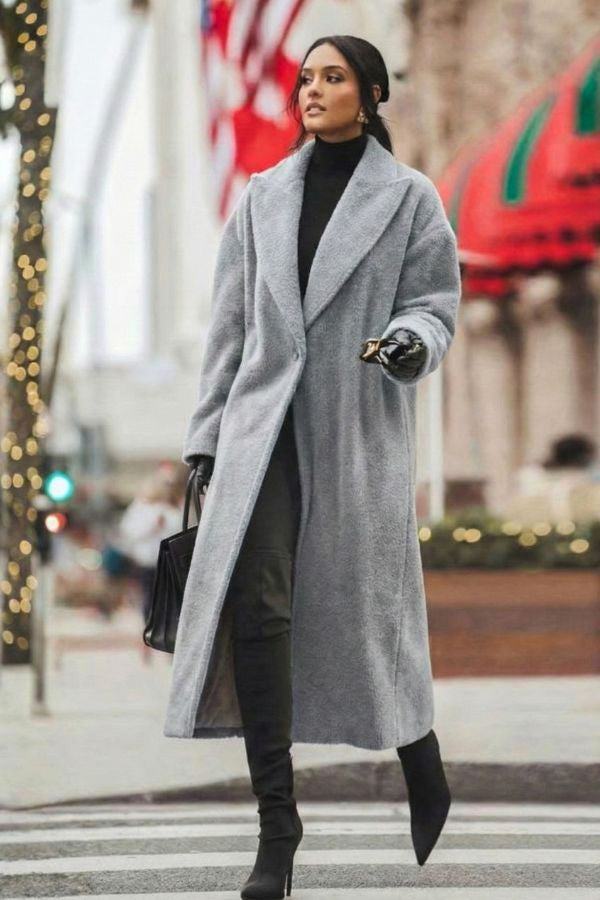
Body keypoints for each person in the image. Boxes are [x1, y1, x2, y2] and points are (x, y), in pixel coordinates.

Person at [165, 35, 461, 898]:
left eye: (333, 77)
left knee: (371, 618)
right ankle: (277, 831)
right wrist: (206, 437)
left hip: (354, 428)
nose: (312, 90)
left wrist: (409, 341)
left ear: (370, 95)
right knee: (259, 617)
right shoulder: (262, 197)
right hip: (260, 433)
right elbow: (230, 328)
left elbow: (434, 303)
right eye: (305, 78)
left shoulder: (408, 198)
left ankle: (420, 752)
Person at [119, 466, 183, 627]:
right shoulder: (141, 507)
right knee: (149, 597)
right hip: (148, 562)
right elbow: (130, 532)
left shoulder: (174, 509)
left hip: (168, 563)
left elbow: (179, 532)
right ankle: (149, 627)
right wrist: (152, 527)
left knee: (168, 599)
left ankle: (166, 629)